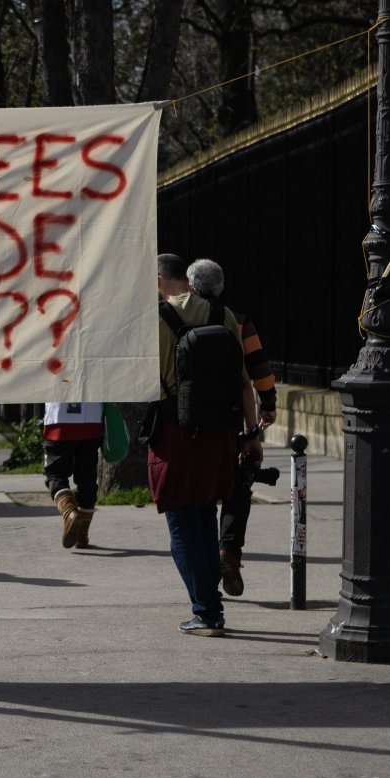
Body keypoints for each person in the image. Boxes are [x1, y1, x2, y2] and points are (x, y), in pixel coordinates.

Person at [149, 255, 259, 636]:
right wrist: (252, 434)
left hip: (175, 431)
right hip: (219, 433)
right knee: (204, 517)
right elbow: (243, 380)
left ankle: (207, 612)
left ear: (161, 279)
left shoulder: (158, 317)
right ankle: (210, 604)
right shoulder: (223, 314)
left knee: (181, 524)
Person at [217, 294, 279, 597]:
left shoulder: (173, 316)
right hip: (232, 416)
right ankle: (228, 550)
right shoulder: (238, 320)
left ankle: (204, 569)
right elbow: (258, 367)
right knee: (238, 484)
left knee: (199, 495)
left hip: (188, 421)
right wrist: (268, 403)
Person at [43, 402, 101, 549]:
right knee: (87, 478)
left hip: (59, 418)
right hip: (92, 418)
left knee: (55, 473)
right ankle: (81, 535)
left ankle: (69, 512)